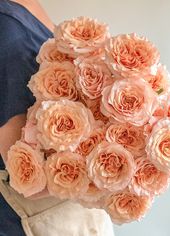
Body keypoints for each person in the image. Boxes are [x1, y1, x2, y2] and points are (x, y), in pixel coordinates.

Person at [0, 1, 114, 235]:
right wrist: (112, 164)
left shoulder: (23, 9)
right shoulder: (6, 28)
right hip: (38, 222)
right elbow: (24, 172)